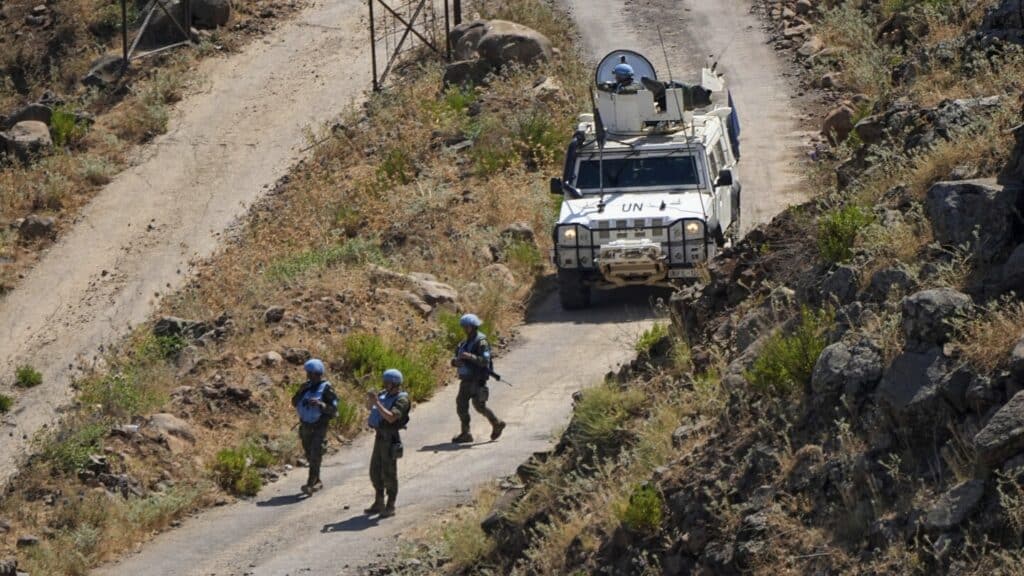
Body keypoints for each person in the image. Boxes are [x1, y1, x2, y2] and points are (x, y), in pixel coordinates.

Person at [451, 313, 505, 444]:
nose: (465, 329)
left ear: (473, 327)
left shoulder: (481, 342)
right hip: (465, 379)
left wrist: (470, 357)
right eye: (463, 327)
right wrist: (455, 362)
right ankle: (465, 433)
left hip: (476, 379)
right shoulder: (464, 342)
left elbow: (484, 361)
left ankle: (496, 423)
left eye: (467, 327)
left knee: (479, 406)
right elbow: (456, 358)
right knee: (461, 405)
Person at [365, 368, 410, 518]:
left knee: (389, 473)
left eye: (387, 383)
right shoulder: (384, 396)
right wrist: (371, 400)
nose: (384, 385)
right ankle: (379, 501)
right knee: (375, 471)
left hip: (390, 438)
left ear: (394, 384)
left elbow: (391, 417)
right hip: (379, 436)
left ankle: (390, 504)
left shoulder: (402, 399)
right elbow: (369, 408)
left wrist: (377, 403)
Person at [291, 358, 338, 495]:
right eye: (308, 373)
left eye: (312, 374)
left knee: (315, 454)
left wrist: (320, 405)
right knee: (309, 454)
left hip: (319, 426)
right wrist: (300, 392)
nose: (309, 376)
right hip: (305, 426)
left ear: (318, 374)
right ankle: (317, 481)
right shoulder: (305, 387)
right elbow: (294, 402)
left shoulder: (327, 389)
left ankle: (310, 483)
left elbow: (334, 410)